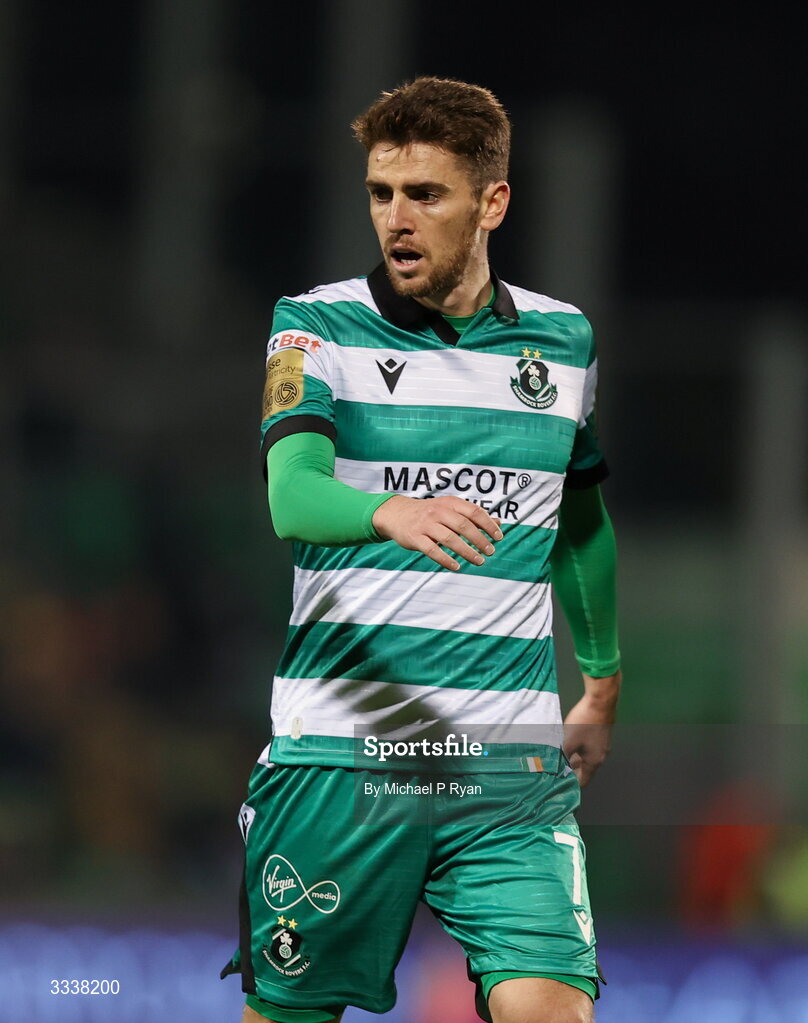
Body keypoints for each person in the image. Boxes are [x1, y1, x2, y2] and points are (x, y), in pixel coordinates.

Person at [221, 77, 621, 1023]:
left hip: (505, 768)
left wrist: (600, 681)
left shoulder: (562, 344)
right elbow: (292, 496)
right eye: (380, 194)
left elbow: (581, 517)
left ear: (492, 202)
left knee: (552, 1010)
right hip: (341, 761)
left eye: (425, 195)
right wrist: (386, 511)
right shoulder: (314, 326)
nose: (396, 219)